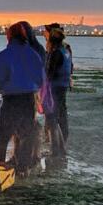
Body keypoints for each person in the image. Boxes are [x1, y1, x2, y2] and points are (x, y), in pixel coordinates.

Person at [0, 21, 45, 173]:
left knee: (2, 138)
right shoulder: (33, 54)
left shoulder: (5, 54)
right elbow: (40, 79)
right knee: (26, 136)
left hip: (11, 99)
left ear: (9, 36)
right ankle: (23, 169)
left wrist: (4, 88)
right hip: (28, 99)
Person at [45, 27, 72, 157]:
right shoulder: (66, 51)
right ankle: (61, 148)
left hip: (55, 88)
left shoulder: (56, 53)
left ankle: (56, 150)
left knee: (52, 119)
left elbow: (50, 73)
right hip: (63, 86)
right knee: (59, 117)